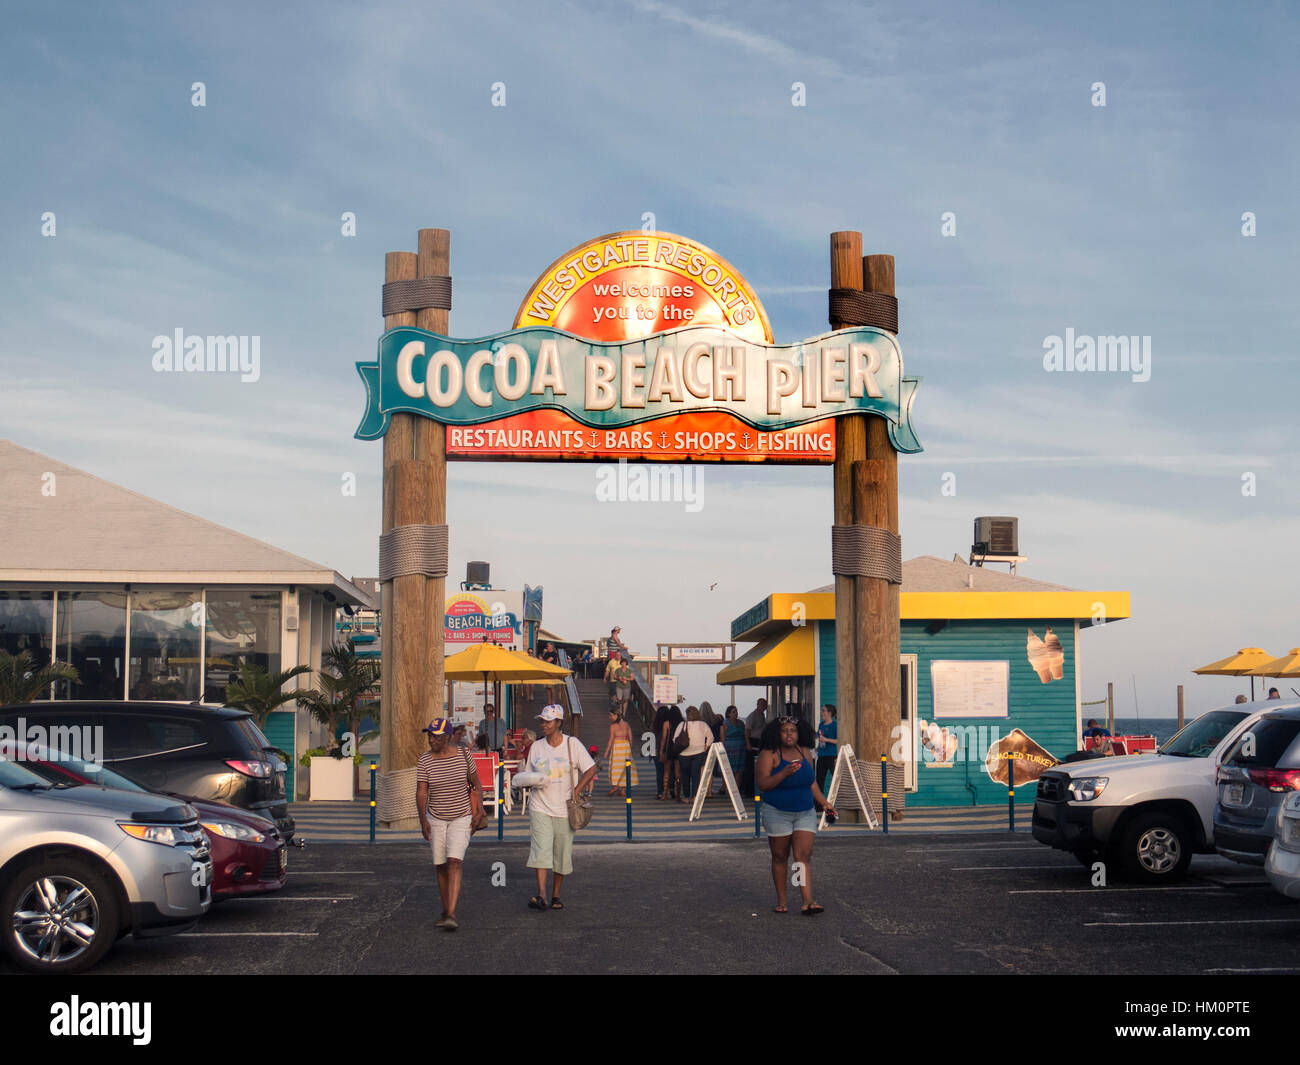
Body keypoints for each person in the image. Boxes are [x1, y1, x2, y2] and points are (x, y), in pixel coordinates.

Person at [756, 716, 835, 915]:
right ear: (777, 733)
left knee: (802, 857)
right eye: (785, 730)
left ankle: (807, 901)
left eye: (793, 730)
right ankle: (782, 901)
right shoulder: (770, 754)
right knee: (781, 857)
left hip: (805, 811)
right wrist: (783, 773)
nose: (789, 734)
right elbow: (763, 785)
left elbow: (811, 782)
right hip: (777, 812)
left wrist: (824, 803)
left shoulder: (804, 752)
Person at [522, 705, 597, 910]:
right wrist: (528, 781)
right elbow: (528, 774)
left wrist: (578, 788)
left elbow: (591, 768)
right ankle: (541, 895)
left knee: (561, 853)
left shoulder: (572, 744)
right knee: (540, 850)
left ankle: (556, 895)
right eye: (542, 721)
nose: (543, 725)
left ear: (558, 723)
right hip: (540, 806)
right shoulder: (536, 747)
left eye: (548, 721)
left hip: (565, 808)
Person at [416, 718, 484, 932]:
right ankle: (445, 911)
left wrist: (478, 808)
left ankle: (451, 914)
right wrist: (422, 819)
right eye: (429, 735)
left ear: (447, 737)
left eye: (435, 736)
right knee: (441, 865)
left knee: (454, 861)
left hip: (461, 816)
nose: (431, 740)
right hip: (436, 817)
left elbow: (475, 782)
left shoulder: (464, 755)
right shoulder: (424, 761)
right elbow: (421, 791)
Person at [672, 705, 713, 804]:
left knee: (685, 775)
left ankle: (686, 797)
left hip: (684, 754)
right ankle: (695, 796)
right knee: (696, 776)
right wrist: (706, 747)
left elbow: (674, 739)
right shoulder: (703, 724)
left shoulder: (682, 724)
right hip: (698, 753)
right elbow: (711, 737)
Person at [603, 708, 639, 796]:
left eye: (611, 715)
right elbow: (630, 738)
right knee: (624, 768)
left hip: (617, 747)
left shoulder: (613, 726)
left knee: (616, 767)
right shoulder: (626, 724)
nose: (610, 717)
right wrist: (630, 748)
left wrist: (606, 752)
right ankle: (622, 790)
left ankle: (615, 786)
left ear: (616, 715)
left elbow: (611, 739)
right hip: (625, 747)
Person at [653, 701, 683, 800]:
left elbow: (664, 738)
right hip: (678, 749)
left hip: (668, 748)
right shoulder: (682, 723)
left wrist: (661, 750)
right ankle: (677, 793)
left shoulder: (666, 723)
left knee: (666, 771)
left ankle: (664, 793)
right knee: (677, 772)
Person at [742, 698, 768, 795]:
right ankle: (748, 790)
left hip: (760, 742)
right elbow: (747, 730)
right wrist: (748, 743)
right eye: (762, 705)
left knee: (758, 767)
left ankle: (755, 789)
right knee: (750, 767)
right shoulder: (752, 716)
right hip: (753, 741)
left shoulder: (762, 716)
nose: (763, 707)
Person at [815, 704, 839, 795]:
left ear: (829, 713)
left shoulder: (834, 725)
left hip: (832, 756)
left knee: (836, 779)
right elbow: (819, 736)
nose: (822, 713)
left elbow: (838, 740)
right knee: (819, 781)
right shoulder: (821, 724)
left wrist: (827, 740)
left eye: (824, 710)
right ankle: (819, 806)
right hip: (821, 755)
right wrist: (817, 748)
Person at [723, 705, 747, 779]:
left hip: (741, 748)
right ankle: (724, 788)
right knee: (728, 768)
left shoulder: (741, 723)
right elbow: (722, 737)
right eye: (733, 712)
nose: (736, 713)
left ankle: (738, 787)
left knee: (740, 769)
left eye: (736, 711)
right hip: (730, 749)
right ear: (728, 714)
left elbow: (745, 733)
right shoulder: (725, 723)